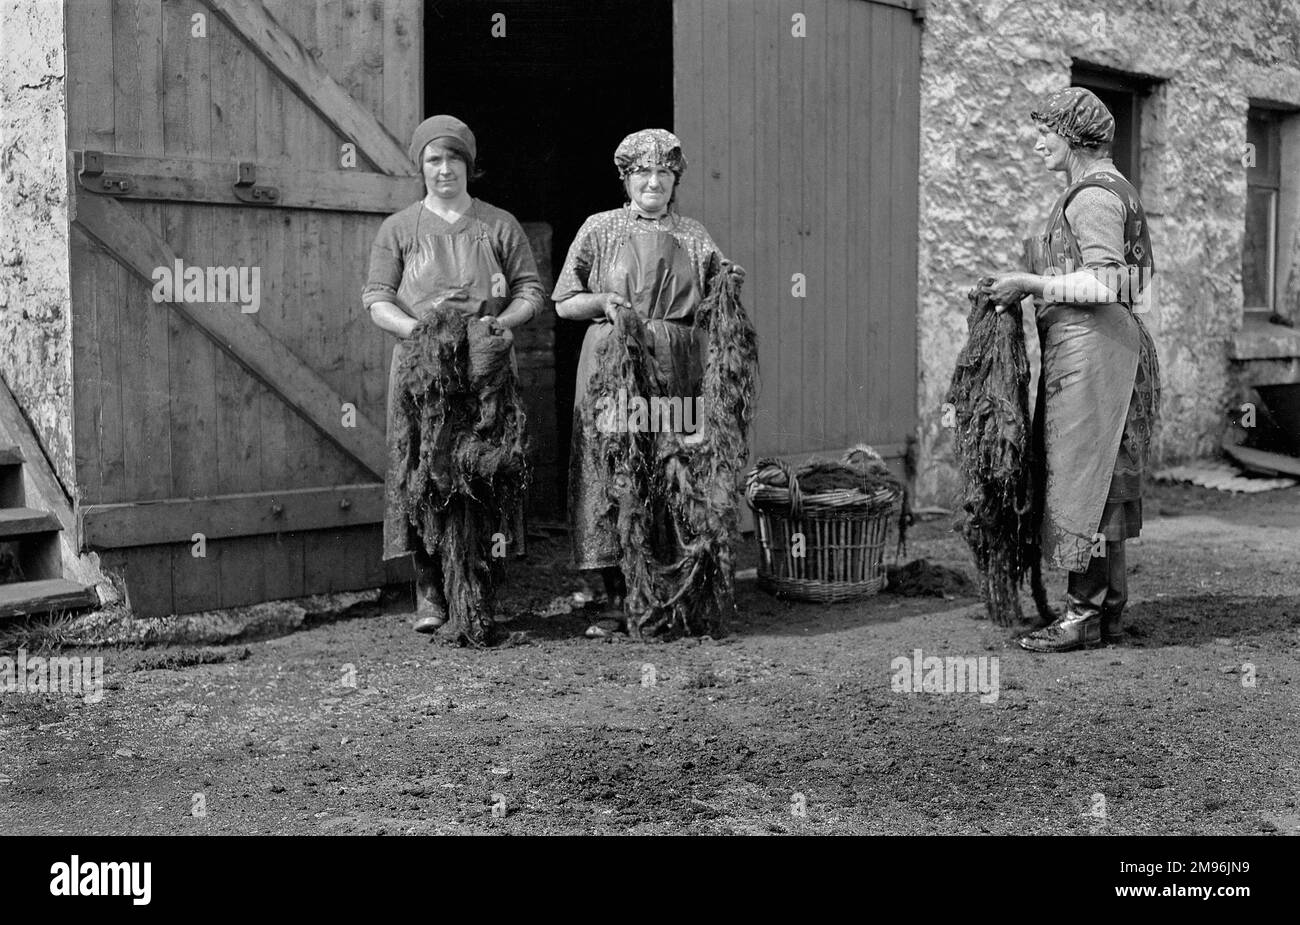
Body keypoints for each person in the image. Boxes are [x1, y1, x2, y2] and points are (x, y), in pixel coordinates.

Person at [981, 87, 1160, 652]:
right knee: (1100, 479)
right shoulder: (1106, 191)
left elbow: (1107, 282)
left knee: (1089, 480)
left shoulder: (1093, 198)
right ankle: (1105, 613)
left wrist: (1029, 284)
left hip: (1096, 351)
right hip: (1091, 348)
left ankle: (1083, 615)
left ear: (1074, 137)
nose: (1037, 141)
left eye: (1046, 131)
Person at [554, 128, 744, 638]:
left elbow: (714, 303)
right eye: (642, 171)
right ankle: (617, 597)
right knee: (618, 464)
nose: (653, 181)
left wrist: (728, 285)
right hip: (614, 364)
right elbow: (565, 300)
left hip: (676, 366)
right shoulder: (599, 229)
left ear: (676, 178)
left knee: (671, 462)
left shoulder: (694, 234)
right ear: (626, 177)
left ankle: (667, 588)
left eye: (664, 172)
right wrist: (602, 303)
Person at [363, 115, 544, 634]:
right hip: (423, 371)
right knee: (424, 470)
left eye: (454, 159)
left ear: (469, 165)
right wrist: (418, 331)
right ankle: (430, 591)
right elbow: (376, 298)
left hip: (485, 366)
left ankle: (480, 585)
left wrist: (497, 324)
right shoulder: (399, 228)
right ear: (421, 167)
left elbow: (530, 292)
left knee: (486, 466)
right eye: (433, 160)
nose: (444, 170)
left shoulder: (498, 225)